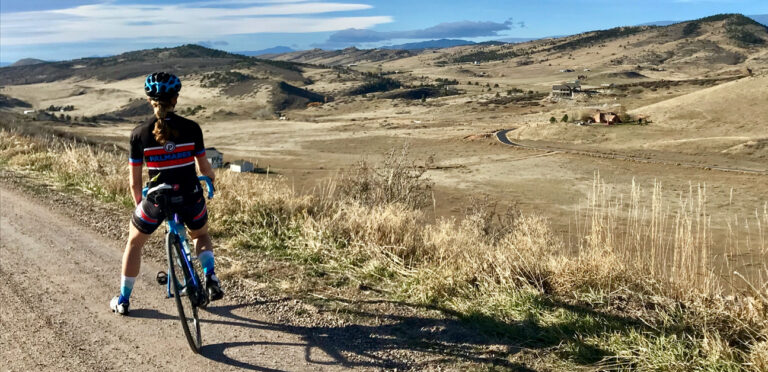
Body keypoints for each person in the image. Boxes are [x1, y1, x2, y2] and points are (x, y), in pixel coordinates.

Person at [110, 72, 222, 315]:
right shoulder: (192, 128)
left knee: (134, 243)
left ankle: (123, 299)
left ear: (150, 100)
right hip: (190, 195)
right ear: (176, 99)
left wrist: (140, 205)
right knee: (200, 236)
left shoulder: (139, 134)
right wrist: (211, 182)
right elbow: (204, 169)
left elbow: (134, 182)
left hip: (157, 199)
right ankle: (211, 277)